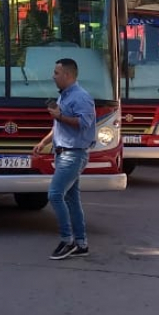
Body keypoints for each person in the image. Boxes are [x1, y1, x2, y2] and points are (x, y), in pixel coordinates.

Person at [45, 58, 96, 260]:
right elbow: (59, 126)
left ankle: (68, 240)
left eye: (56, 73)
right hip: (63, 152)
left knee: (54, 194)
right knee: (72, 199)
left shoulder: (81, 97)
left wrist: (59, 117)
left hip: (73, 154)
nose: (53, 76)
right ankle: (81, 244)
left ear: (67, 75)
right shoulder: (64, 96)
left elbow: (84, 123)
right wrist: (44, 142)